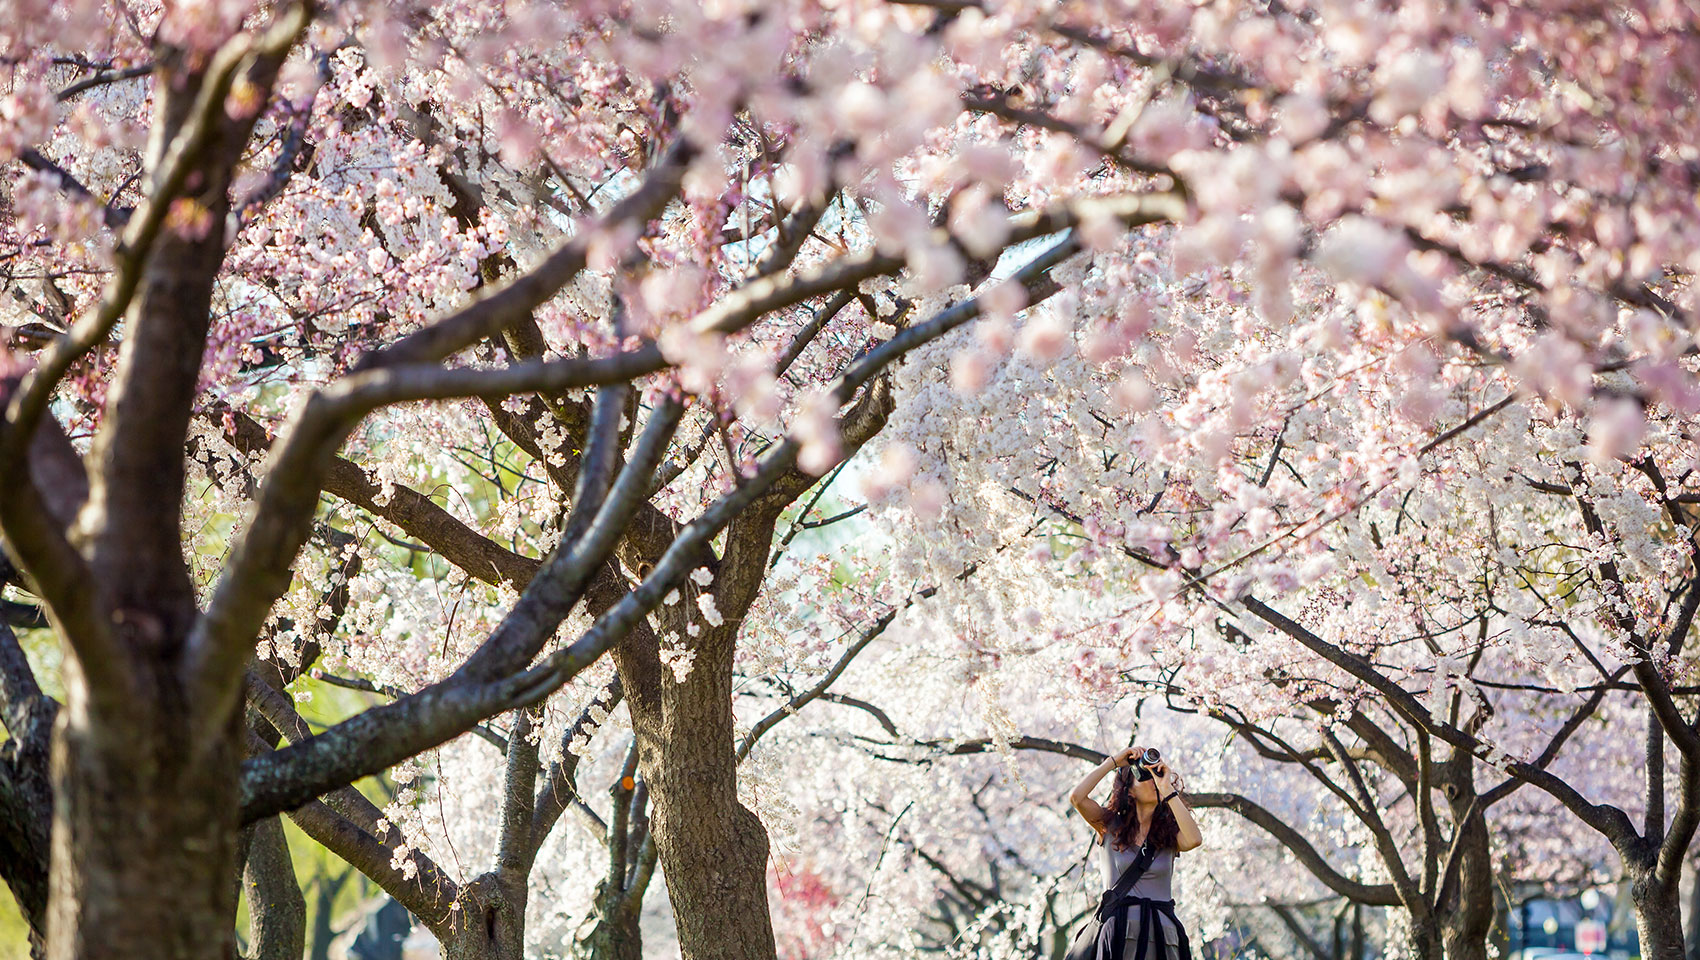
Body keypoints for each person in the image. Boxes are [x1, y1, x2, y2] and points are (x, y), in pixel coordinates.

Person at [1069, 746, 1204, 960]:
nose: (1153, 781)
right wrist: (1113, 762)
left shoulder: (1169, 834)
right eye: (1146, 777)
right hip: (1120, 933)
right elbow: (1077, 797)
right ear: (1129, 790)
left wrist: (1167, 789)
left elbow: (1195, 839)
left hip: (1162, 936)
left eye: (1155, 775)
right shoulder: (1108, 825)